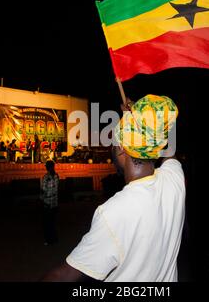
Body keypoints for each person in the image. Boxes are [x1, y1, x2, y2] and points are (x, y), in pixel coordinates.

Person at [42, 94, 185, 282]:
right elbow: (169, 153)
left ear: (121, 148)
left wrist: (134, 121)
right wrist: (141, 122)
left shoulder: (114, 212)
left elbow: (65, 275)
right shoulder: (174, 181)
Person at [40, 160, 60, 245]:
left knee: (47, 223)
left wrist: (41, 199)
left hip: (47, 203)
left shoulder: (45, 177)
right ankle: (54, 239)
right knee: (53, 222)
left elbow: (43, 190)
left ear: (46, 167)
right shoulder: (56, 176)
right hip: (55, 202)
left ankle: (48, 240)